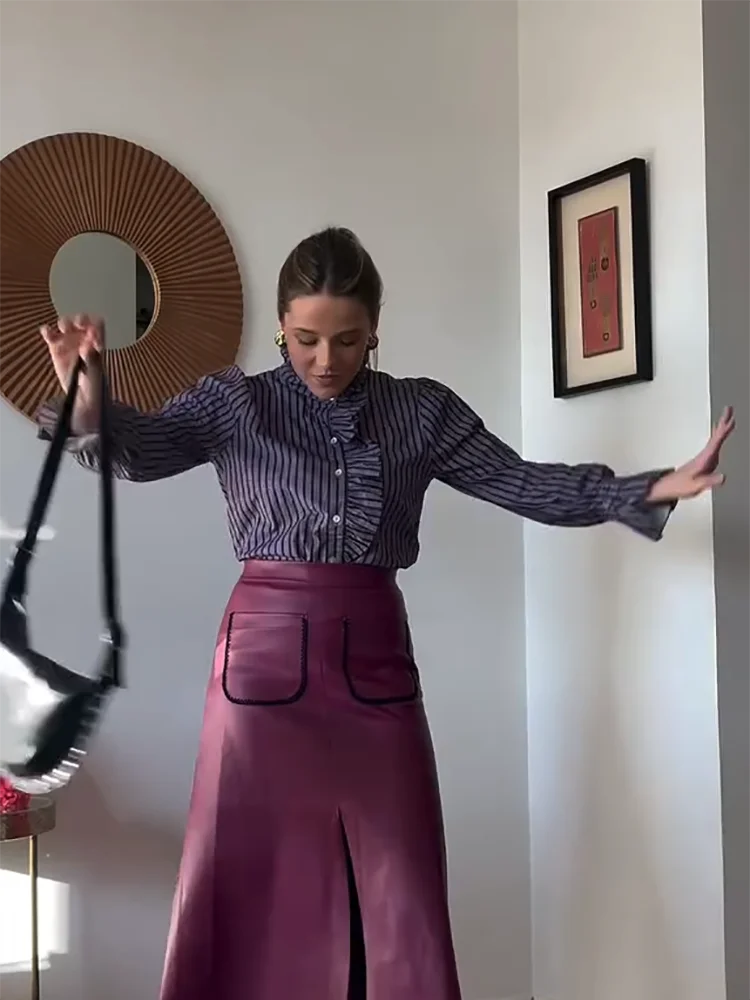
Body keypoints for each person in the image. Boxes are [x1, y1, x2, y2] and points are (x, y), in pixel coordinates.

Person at [38, 227, 734, 1000]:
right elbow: (141, 450)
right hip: (260, 678)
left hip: (375, 670)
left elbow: (522, 482)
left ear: (376, 331)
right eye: (304, 339)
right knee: (248, 883)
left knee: (398, 893)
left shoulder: (420, 412)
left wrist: (646, 488)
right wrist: (91, 405)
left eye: (347, 339)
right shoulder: (237, 402)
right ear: (280, 329)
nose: (325, 360)